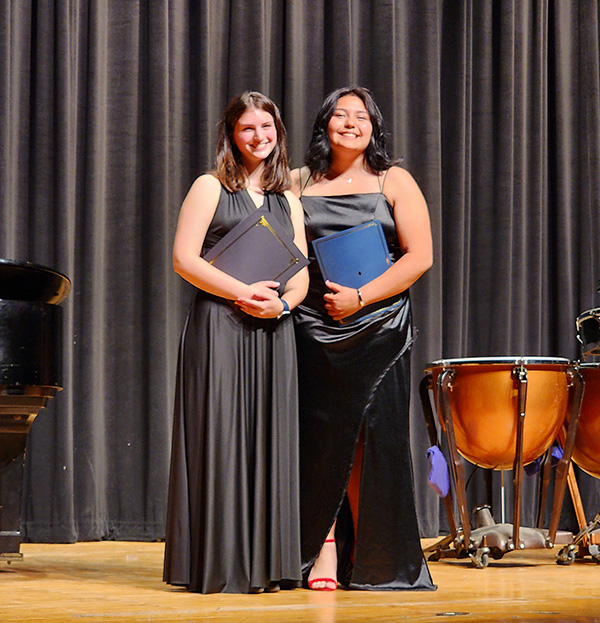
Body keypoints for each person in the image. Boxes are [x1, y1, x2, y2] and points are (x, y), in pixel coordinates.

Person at [163, 91, 309, 594]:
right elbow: (185, 259)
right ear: (231, 134)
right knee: (220, 439)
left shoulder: (286, 197)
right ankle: (220, 564)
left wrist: (283, 305)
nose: (259, 137)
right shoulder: (209, 186)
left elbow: (300, 272)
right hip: (220, 327)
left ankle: (268, 564)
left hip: (274, 330)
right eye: (248, 129)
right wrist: (242, 292)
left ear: (278, 132)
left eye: (266, 128)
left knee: (270, 439)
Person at [291, 87, 435, 591]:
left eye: (361, 116)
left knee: (372, 443)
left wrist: (362, 297)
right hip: (313, 328)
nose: (350, 123)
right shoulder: (297, 181)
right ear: (324, 124)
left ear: (374, 126)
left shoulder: (394, 180)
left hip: (379, 329)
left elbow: (419, 257)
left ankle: (373, 559)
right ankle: (323, 549)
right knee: (320, 443)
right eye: (340, 115)